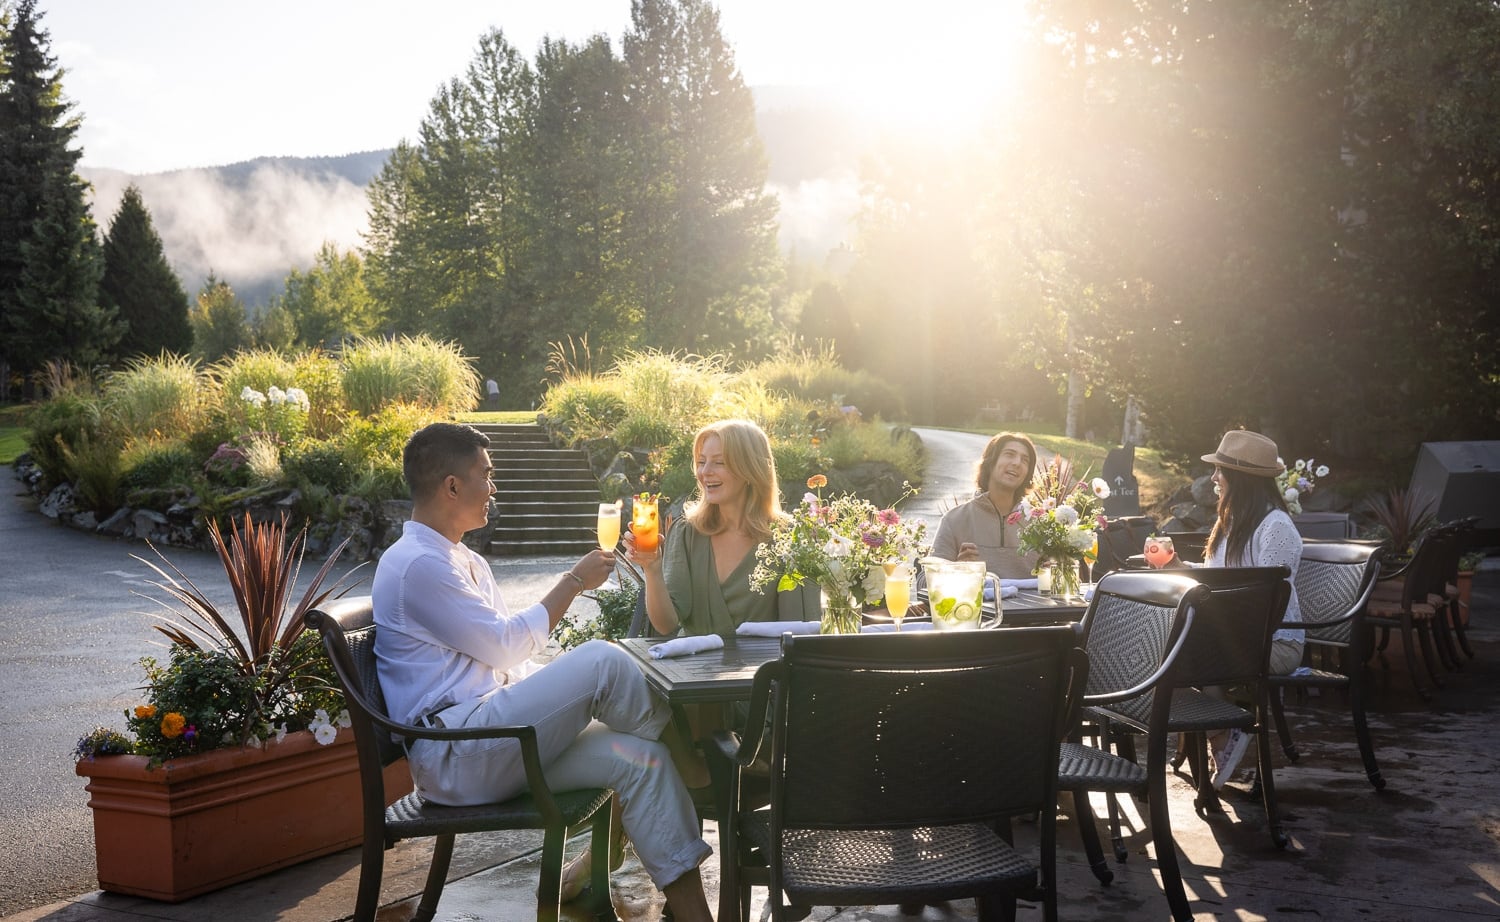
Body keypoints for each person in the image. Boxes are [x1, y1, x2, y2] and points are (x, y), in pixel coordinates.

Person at [371, 422, 713, 920]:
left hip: (496, 740)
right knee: (601, 659)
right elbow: (506, 645)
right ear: (451, 486)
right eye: (485, 476)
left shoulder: (461, 559)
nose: (493, 488)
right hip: (457, 754)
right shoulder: (417, 564)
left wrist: (564, 699)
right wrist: (573, 582)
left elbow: (501, 664)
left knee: (641, 760)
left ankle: (692, 913)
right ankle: (695, 762)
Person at [1146, 428, 1305, 789]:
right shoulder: (1230, 522)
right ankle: (1222, 731)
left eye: (1221, 470)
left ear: (1242, 477)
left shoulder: (1277, 528)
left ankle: (1221, 733)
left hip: (1274, 643)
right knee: (1163, 648)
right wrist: (1177, 569)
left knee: (1178, 653)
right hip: (1230, 639)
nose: (1214, 477)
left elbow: (1266, 601)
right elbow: (1219, 577)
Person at [625, 418, 817, 638]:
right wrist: (652, 568)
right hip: (691, 669)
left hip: (762, 670)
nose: (705, 472)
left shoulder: (790, 538)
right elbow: (666, 625)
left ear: (750, 468)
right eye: (701, 461)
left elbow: (799, 632)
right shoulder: (686, 532)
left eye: (719, 462)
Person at [929, 431, 1041, 580]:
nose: (1017, 463)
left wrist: (1057, 571)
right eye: (1009, 454)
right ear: (990, 462)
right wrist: (956, 569)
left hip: (1036, 604)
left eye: (1025, 460)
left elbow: (1073, 582)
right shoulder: (955, 520)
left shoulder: (1042, 524)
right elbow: (924, 581)